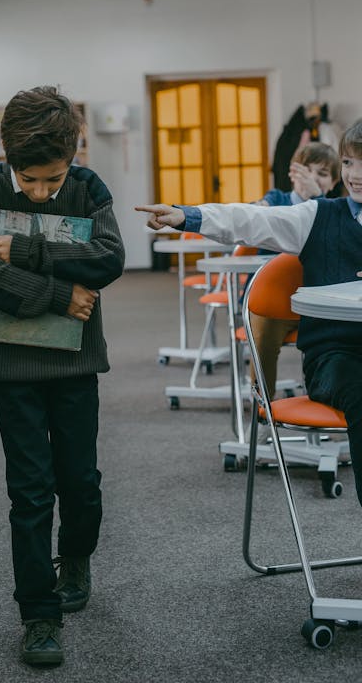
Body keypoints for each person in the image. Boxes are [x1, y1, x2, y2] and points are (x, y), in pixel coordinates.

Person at [0, 86, 125, 667]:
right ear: (9, 159)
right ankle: (38, 615)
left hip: (76, 363)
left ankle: (75, 557)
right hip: (13, 365)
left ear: (72, 159)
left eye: (49, 181)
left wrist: (28, 251)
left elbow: (108, 258)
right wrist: (61, 293)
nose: (38, 191)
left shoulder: (88, 187)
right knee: (29, 491)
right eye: (27, 180)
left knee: (80, 482)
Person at [136, 117, 362, 504]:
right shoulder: (317, 215)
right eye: (348, 163)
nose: (354, 175)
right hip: (335, 357)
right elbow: (250, 219)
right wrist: (187, 216)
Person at [249, 141, 341, 398]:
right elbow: (258, 214)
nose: (312, 178)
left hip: (319, 306)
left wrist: (317, 198)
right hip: (275, 305)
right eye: (307, 170)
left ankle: (331, 399)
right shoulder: (276, 199)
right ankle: (263, 404)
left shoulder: (334, 210)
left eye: (322, 174)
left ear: (334, 183)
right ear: (293, 172)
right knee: (263, 334)